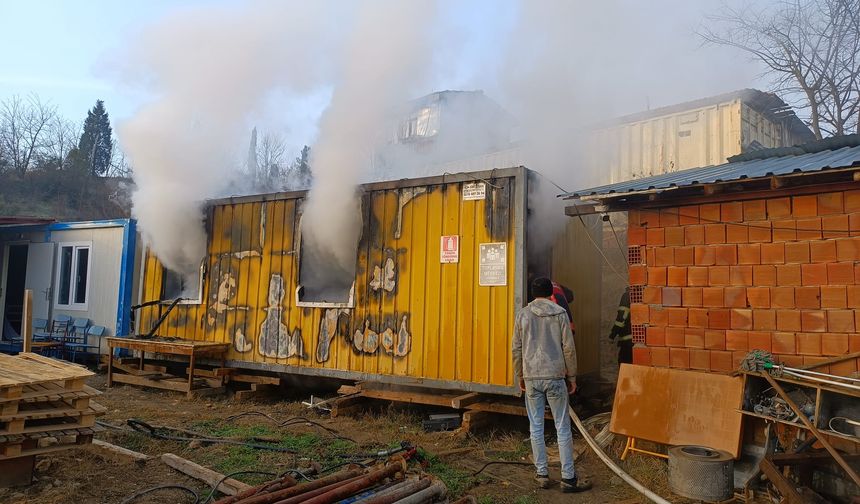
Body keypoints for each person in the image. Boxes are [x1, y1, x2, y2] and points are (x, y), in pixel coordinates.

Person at [512, 277, 592, 493]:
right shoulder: (560, 313)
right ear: (551, 293)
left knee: (536, 426)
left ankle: (542, 475)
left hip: (531, 376)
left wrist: (520, 374)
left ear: (532, 293)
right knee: (562, 427)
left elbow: (516, 349)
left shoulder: (523, 315)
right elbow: (569, 348)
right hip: (555, 376)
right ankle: (568, 478)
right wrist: (572, 377)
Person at [609, 287, 633, 364]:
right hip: (637, 341)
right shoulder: (640, 296)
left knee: (624, 363)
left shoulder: (627, 296)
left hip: (627, 341)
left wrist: (612, 335)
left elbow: (621, 319)